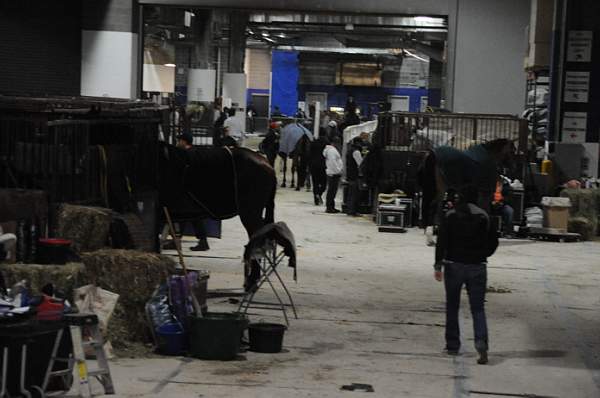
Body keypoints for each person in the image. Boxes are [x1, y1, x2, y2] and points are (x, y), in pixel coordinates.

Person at [434, 185, 499, 365]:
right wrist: (483, 255)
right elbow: (494, 242)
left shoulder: (451, 215)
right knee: (478, 309)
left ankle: (453, 345)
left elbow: (442, 241)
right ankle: (481, 344)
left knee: (452, 306)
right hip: (477, 266)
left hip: (454, 265)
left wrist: (438, 264)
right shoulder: (484, 216)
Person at [176, 133, 210, 251]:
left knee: (192, 215)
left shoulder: (186, 154)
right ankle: (178, 240)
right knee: (186, 215)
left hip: (190, 190)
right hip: (194, 189)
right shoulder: (196, 152)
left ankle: (203, 241)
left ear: (184, 142)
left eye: (179, 140)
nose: (178, 143)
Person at [323, 136, 344, 213]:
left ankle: (331, 206)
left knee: (332, 191)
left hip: (332, 172)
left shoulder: (331, 150)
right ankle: (329, 207)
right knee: (332, 191)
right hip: (333, 173)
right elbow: (333, 163)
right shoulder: (332, 151)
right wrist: (338, 171)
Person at [346, 136, 364, 216]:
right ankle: (353, 211)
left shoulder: (350, 150)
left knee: (351, 193)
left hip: (350, 174)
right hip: (354, 175)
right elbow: (360, 164)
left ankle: (349, 209)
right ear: (357, 143)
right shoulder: (356, 152)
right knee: (355, 193)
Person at [309, 130, 329, 205]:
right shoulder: (327, 143)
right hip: (323, 166)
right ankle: (319, 194)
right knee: (324, 183)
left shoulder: (313, 143)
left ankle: (316, 199)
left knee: (315, 183)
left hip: (313, 165)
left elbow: (310, 154)